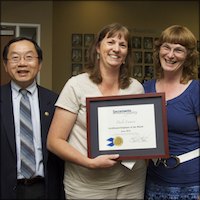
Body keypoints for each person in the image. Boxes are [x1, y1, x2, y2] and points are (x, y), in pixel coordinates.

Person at [47, 22, 147, 199]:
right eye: (110, 42)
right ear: (98, 48)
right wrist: (89, 163)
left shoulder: (135, 88)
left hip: (131, 183)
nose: (116, 48)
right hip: (87, 185)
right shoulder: (76, 86)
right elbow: (55, 141)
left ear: (126, 55)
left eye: (122, 45)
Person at [0, 37, 65, 199]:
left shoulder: (56, 101)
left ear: (40, 64)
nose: (22, 63)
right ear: (5, 65)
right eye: (15, 58)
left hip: (45, 189)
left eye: (29, 57)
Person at [143, 25, 200, 199]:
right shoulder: (145, 88)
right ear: (158, 50)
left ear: (188, 56)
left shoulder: (196, 90)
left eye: (178, 50)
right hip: (154, 180)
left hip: (191, 184)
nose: (170, 55)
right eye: (166, 47)